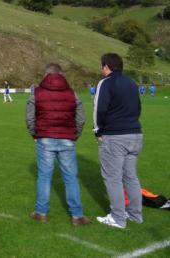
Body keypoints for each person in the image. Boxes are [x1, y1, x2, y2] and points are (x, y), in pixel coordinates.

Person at [25, 63, 89, 226]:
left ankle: (41, 213)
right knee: (71, 178)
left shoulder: (37, 93)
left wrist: (35, 134)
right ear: (60, 74)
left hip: (45, 138)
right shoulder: (71, 93)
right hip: (67, 139)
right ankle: (77, 216)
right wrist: (75, 135)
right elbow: (81, 117)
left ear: (46, 74)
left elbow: (29, 117)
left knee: (44, 177)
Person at [94, 53, 143, 229]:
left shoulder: (106, 83)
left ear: (106, 66)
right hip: (135, 134)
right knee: (131, 176)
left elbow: (99, 109)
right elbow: (138, 107)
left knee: (112, 177)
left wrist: (98, 131)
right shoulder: (131, 82)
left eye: (102, 66)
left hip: (115, 136)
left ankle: (118, 218)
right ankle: (135, 214)